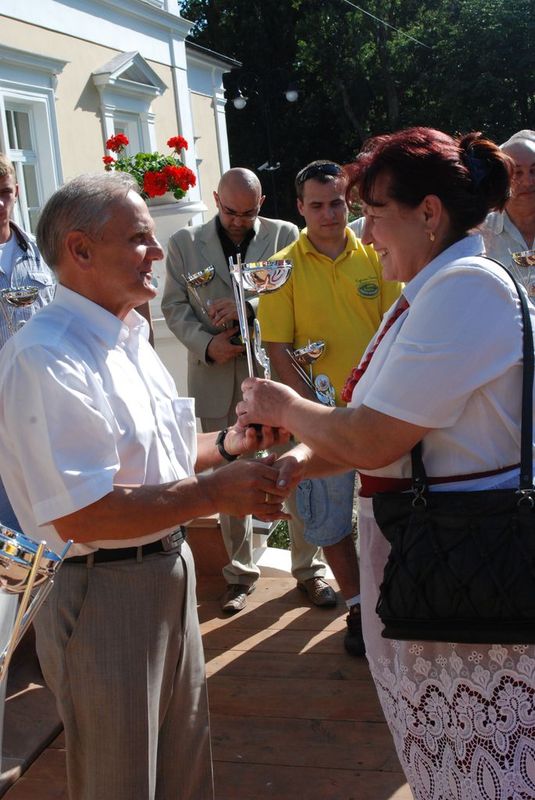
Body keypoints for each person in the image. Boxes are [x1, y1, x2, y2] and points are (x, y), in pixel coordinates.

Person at [237, 127, 535, 798]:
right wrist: (301, 461)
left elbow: (374, 438)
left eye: (374, 213)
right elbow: (378, 425)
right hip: (437, 555)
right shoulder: (433, 287)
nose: (366, 234)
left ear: (429, 213)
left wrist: (284, 407)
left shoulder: (465, 289)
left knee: (484, 763)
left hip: (466, 561)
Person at [0, 172, 291, 800]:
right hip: (102, 591)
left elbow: (165, 458)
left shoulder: (127, 335)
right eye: (138, 238)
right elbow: (84, 515)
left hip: (163, 571)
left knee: (182, 772)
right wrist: (216, 494)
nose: (158, 250)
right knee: (122, 782)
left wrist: (233, 443)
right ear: (79, 249)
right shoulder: (48, 355)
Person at [162, 167, 327, 613]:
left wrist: (247, 307)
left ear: (262, 204)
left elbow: (301, 288)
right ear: (216, 200)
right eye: (231, 211)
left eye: (248, 213)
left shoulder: (285, 235)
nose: (238, 221)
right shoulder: (183, 243)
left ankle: (309, 569)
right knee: (228, 476)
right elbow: (173, 306)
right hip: (218, 377)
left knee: (297, 469)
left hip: (280, 377)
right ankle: (238, 574)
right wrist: (207, 344)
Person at [257, 160, 401, 654]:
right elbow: (278, 348)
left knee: (391, 512)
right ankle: (358, 608)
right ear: (299, 208)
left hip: (379, 415)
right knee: (330, 521)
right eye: (316, 205)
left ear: (349, 202)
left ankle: (394, 604)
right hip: (320, 420)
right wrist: (312, 410)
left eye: (336, 203)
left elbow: (395, 329)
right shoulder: (279, 268)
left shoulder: (377, 254)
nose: (328, 214)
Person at [0, 154, 56, 531]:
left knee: (48, 513)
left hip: (43, 402)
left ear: (17, 192)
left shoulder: (43, 255)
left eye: (5, 192)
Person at [480, 130, 535, 286]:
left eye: (534, 171)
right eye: (517, 172)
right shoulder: (480, 235)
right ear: (501, 178)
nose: (528, 181)